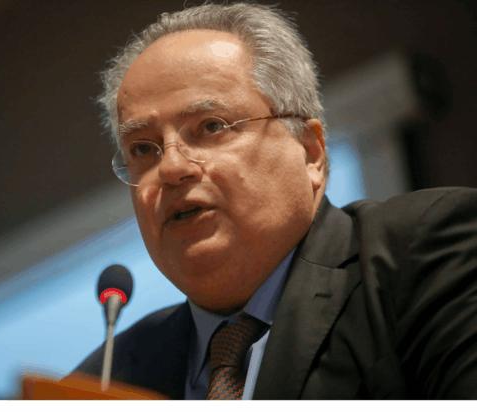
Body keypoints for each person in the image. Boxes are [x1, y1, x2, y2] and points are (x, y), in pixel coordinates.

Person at [69, 2, 477, 399]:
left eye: (211, 126)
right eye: (143, 148)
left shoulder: (426, 252)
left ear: (310, 152)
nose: (172, 167)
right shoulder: (105, 382)